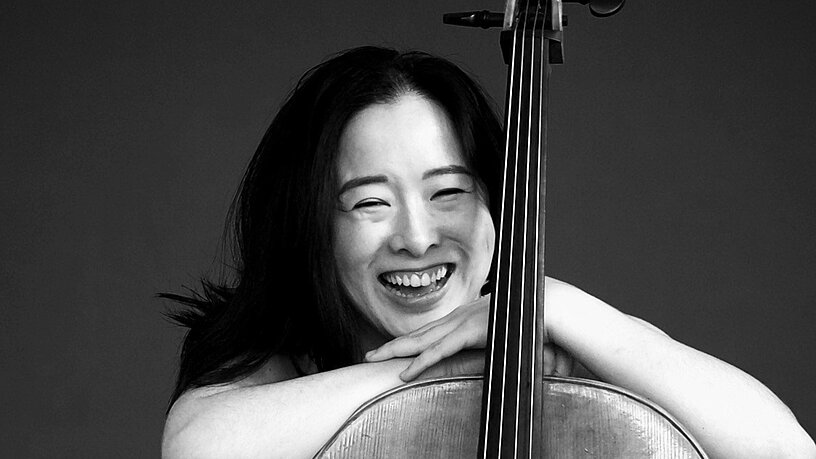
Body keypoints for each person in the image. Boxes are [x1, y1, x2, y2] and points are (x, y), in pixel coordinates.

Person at [160, 46, 815, 458]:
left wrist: (557, 306)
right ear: (309, 224)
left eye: (448, 192)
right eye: (369, 202)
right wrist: (449, 363)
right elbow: (197, 448)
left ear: (500, 208)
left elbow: (786, 449)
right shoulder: (283, 368)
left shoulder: (565, 361)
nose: (417, 237)